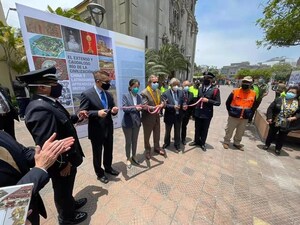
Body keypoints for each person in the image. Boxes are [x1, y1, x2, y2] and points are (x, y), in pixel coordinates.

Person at [18, 67, 88, 225]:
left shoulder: (48, 103)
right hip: (62, 164)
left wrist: (77, 117)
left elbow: (63, 121)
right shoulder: (39, 109)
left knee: (67, 188)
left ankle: (70, 204)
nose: (58, 86)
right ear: (42, 87)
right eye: (54, 83)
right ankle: (67, 218)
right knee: (62, 190)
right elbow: (49, 144)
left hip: (68, 158)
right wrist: (64, 164)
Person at [0, 131, 74, 225]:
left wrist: (44, 152)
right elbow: (3, 203)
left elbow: (23, 152)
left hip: (30, 207)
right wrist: (40, 169)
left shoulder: (1, 134)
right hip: (13, 217)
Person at [80, 70, 119, 184]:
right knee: (97, 154)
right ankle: (100, 173)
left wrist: (114, 111)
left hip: (108, 128)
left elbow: (111, 110)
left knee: (108, 150)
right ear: (98, 81)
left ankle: (108, 167)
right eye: (106, 81)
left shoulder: (108, 94)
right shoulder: (87, 94)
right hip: (96, 130)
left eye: (109, 81)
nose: (109, 84)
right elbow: (83, 112)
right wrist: (97, 113)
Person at [189, 72, 221, 151]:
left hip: (207, 113)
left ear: (211, 80)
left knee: (205, 129)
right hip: (198, 112)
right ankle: (196, 141)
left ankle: (202, 143)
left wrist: (208, 100)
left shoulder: (215, 90)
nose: (205, 79)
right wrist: (193, 112)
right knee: (197, 128)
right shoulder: (200, 88)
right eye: (205, 78)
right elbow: (196, 100)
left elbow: (218, 103)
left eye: (208, 78)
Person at [263, 86, 300, 155]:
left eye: (293, 92)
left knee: (282, 136)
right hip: (275, 120)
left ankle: (278, 149)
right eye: (289, 91)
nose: (290, 93)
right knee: (271, 133)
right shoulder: (279, 99)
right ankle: (267, 145)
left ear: (296, 95)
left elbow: (299, 113)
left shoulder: (297, 103)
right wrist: (269, 117)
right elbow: (270, 108)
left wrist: (294, 117)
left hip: (286, 122)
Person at [223, 76, 256, 150]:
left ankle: (237, 143)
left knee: (240, 132)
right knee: (229, 130)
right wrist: (230, 112)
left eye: (247, 82)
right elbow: (227, 103)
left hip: (245, 117)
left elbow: (254, 106)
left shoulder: (253, 94)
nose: (245, 83)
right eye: (244, 82)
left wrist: (250, 114)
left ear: (251, 84)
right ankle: (226, 142)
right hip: (233, 116)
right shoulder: (235, 91)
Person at [141, 74, 165, 159]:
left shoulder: (158, 91)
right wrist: (155, 107)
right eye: (154, 82)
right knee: (147, 135)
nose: (156, 83)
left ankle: (157, 147)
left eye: (157, 82)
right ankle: (147, 150)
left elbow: (162, 101)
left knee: (157, 133)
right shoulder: (144, 93)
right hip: (147, 118)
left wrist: (163, 104)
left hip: (157, 117)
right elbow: (144, 106)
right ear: (149, 83)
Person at [121, 79, 142, 168]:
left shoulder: (139, 97)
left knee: (135, 141)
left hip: (136, 123)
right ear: (130, 87)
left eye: (137, 87)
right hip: (127, 123)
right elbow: (125, 108)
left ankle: (134, 156)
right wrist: (135, 108)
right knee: (128, 142)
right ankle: (128, 158)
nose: (136, 88)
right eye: (134, 87)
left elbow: (140, 107)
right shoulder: (125, 96)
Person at [162, 78, 185, 152]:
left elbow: (184, 101)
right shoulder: (165, 93)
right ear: (171, 85)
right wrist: (173, 106)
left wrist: (184, 105)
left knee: (177, 131)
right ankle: (166, 143)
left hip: (178, 115)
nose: (176, 86)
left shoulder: (181, 92)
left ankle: (177, 144)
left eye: (177, 85)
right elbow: (164, 106)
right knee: (168, 131)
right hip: (169, 115)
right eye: (174, 85)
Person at [181, 80, 193, 145]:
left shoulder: (191, 94)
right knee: (177, 127)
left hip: (187, 114)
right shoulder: (179, 93)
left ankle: (183, 139)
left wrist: (191, 114)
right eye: (185, 85)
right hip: (179, 113)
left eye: (188, 86)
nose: (187, 87)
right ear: (182, 85)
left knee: (184, 126)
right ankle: (177, 138)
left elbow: (192, 105)